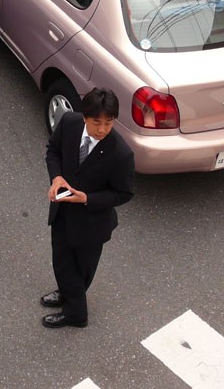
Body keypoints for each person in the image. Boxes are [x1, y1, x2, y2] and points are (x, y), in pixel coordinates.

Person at [40, 87, 134, 328]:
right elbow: (53, 151)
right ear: (84, 117)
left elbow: (123, 193)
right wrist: (57, 177)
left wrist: (87, 199)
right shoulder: (69, 123)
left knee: (82, 269)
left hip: (93, 222)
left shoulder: (121, 153)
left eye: (108, 123)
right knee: (61, 260)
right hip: (62, 211)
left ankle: (76, 314)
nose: (102, 129)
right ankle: (67, 294)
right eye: (96, 122)